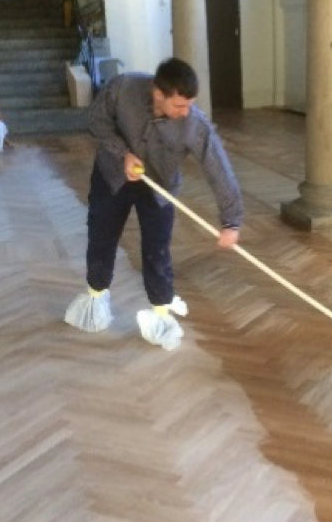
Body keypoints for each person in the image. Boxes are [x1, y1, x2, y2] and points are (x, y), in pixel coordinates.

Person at [63, 57, 244, 351]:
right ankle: (95, 297)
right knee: (101, 237)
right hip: (113, 178)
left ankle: (160, 312)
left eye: (189, 105)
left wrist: (231, 221)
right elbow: (95, 120)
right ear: (158, 93)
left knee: (157, 250)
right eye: (179, 105)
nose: (186, 112)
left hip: (159, 188)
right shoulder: (123, 88)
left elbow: (219, 169)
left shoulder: (193, 123)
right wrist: (123, 153)